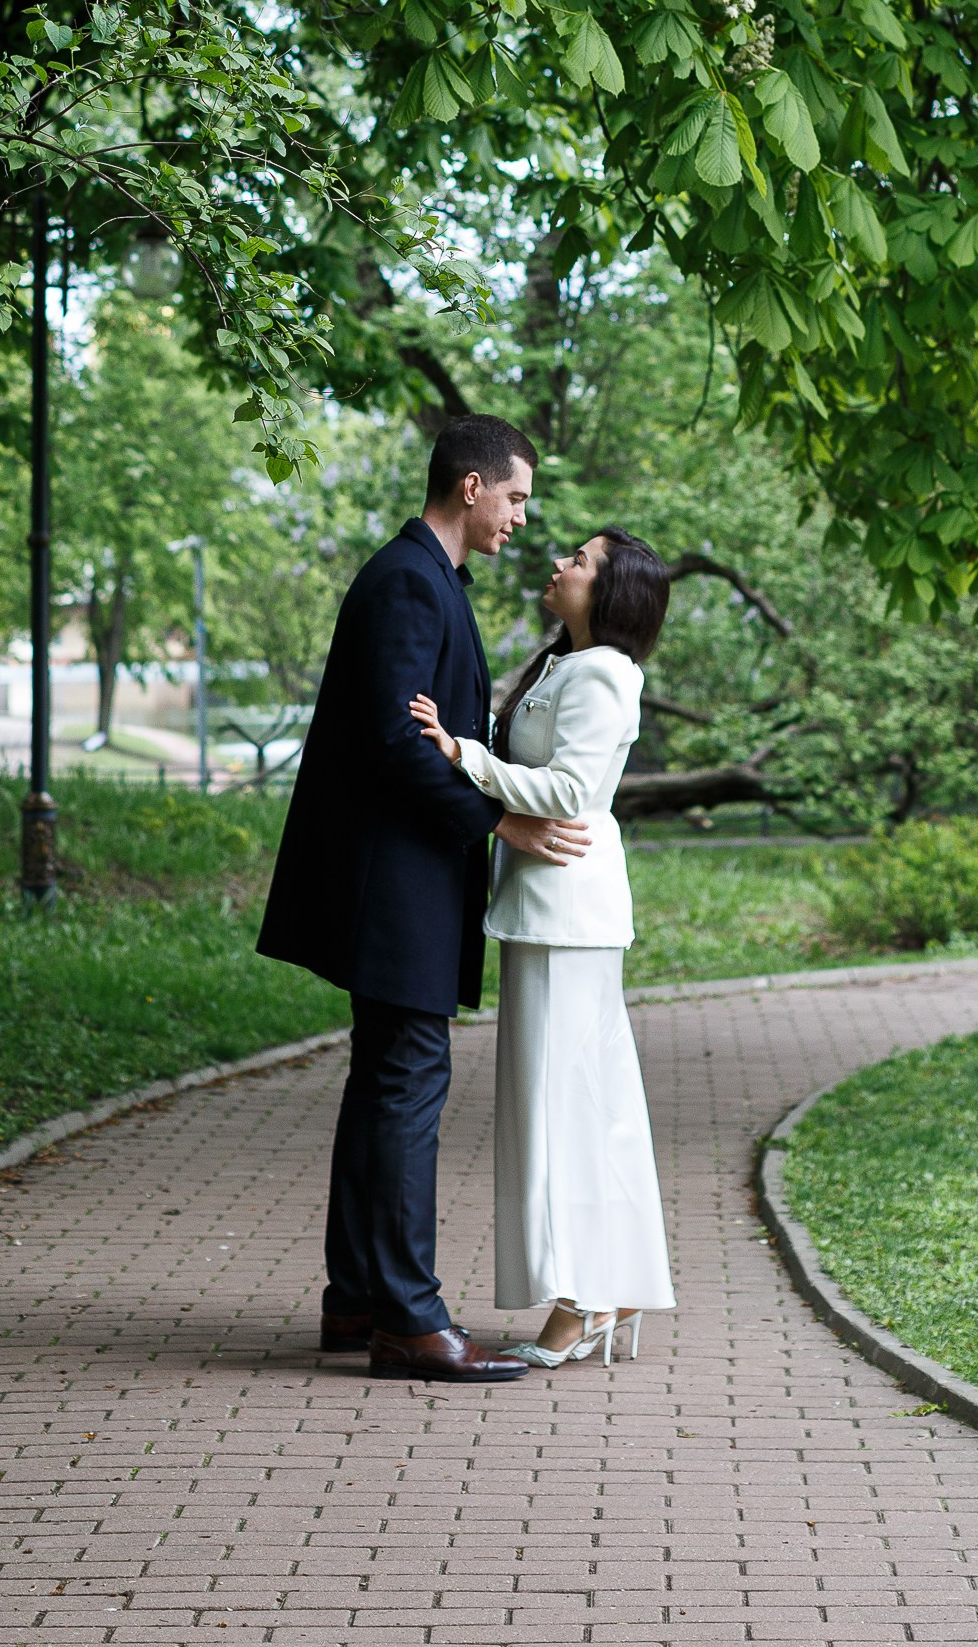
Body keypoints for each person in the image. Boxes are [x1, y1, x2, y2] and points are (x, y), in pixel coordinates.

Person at [256, 414, 591, 1384]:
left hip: (400, 884)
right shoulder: (407, 579)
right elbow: (394, 741)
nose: (523, 518)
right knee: (407, 1084)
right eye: (518, 497)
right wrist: (496, 821)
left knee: (383, 1084)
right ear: (471, 486)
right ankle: (405, 1316)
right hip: (392, 885)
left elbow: (431, 730)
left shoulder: (429, 579)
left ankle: (356, 1297)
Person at [411, 526, 675, 1367]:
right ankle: (614, 1285)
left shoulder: (603, 674)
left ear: (613, 590)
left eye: (580, 561)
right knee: (585, 1102)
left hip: (567, 911)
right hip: (547, 911)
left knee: (564, 1108)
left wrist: (468, 758)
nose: (560, 564)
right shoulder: (568, 663)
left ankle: (584, 1298)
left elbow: (570, 791)